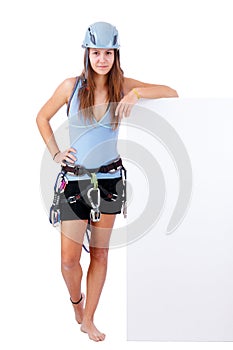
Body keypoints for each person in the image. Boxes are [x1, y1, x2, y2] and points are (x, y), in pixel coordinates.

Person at [36, 21, 178, 342]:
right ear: (87, 53)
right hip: (74, 182)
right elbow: (41, 117)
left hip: (110, 182)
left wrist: (137, 93)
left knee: (99, 255)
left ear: (115, 54)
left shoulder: (123, 85)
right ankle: (77, 303)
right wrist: (56, 153)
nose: (102, 59)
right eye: (96, 52)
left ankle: (89, 320)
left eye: (108, 52)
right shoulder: (71, 87)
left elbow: (171, 92)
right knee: (69, 262)